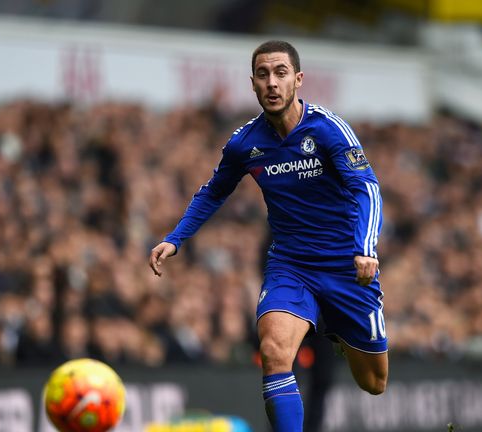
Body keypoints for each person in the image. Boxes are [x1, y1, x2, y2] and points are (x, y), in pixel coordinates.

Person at [149, 40, 388, 431]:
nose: (272, 83)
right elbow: (213, 190)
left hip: (347, 265)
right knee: (275, 352)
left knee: (374, 383)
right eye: (263, 75)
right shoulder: (245, 142)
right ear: (253, 84)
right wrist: (176, 238)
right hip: (290, 265)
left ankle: (339, 332)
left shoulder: (328, 129)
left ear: (298, 79)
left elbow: (367, 188)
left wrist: (365, 249)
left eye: (280, 73)